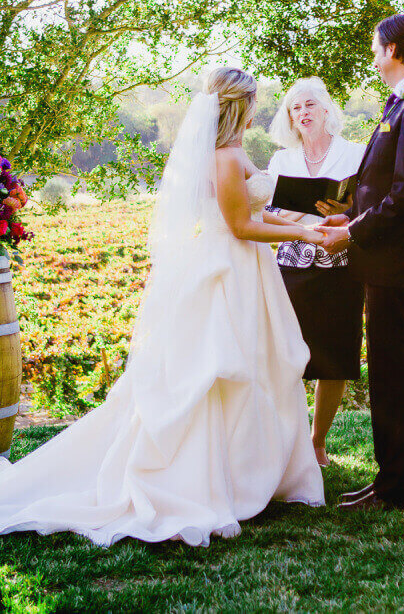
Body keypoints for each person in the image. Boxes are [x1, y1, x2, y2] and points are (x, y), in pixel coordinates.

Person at [0, 67, 324, 546]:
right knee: (218, 373)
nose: (259, 108)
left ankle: (246, 472)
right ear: (241, 104)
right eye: (255, 101)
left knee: (251, 368)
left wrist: (315, 218)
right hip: (228, 268)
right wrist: (301, 233)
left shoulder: (233, 152)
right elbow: (239, 225)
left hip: (247, 271)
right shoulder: (225, 155)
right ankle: (213, 479)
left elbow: (261, 210)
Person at [318, 15, 404, 510]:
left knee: (397, 374)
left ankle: (398, 487)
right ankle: (390, 479)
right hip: (387, 261)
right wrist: (348, 216)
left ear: (393, 50)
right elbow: (382, 184)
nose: (373, 57)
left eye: (375, 49)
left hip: (398, 262)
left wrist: (353, 233)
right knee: (390, 373)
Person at [267, 78, 366, 466]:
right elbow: (268, 212)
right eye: (296, 108)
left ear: (327, 109)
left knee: (335, 356)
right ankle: (285, 441)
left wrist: (345, 215)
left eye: (310, 105)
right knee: (285, 354)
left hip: (341, 265)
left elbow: (366, 206)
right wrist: (304, 220)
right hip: (290, 266)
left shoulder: (356, 154)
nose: (303, 113)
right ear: (290, 119)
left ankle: (317, 442)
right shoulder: (281, 161)